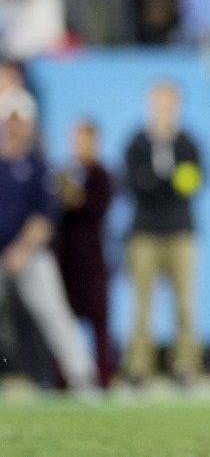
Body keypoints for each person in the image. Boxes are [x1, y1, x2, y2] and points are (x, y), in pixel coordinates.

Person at [0, 90, 97, 392]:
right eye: (10, 120)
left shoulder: (38, 166)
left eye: (20, 121)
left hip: (29, 254)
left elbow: (43, 218)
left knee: (56, 312)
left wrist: (20, 250)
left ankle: (82, 377)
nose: (15, 127)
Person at [122, 80, 203, 385]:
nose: (164, 112)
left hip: (180, 231)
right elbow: (135, 185)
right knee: (142, 305)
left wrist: (156, 181)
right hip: (145, 232)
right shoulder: (137, 144)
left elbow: (191, 183)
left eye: (170, 106)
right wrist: (165, 182)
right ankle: (138, 366)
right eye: (159, 105)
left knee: (185, 304)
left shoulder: (187, 144)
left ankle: (185, 365)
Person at [54, 119, 115, 388]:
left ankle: (103, 376)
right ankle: (62, 378)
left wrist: (78, 199)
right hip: (66, 258)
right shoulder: (63, 173)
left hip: (93, 257)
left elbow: (98, 207)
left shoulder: (101, 175)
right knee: (62, 319)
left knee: (99, 318)